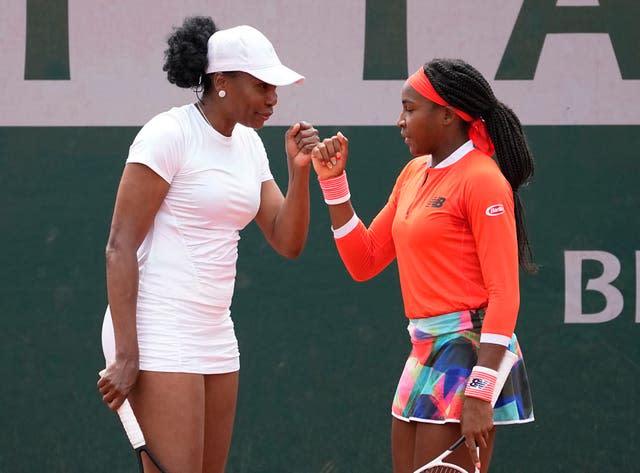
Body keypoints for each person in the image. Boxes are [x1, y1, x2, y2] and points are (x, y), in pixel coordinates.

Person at [96, 16, 319, 473]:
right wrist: (126, 354)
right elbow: (119, 246)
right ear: (221, 82)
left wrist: (298, 172)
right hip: (158, 327)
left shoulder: (251, 147)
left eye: (275, 88)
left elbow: (287, 239)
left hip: (216, 332)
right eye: (261, 86)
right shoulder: (169, 134)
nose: (273, 99)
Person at [311, 58, 535, 473]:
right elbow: (365, 260)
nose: (400, 121)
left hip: (468, 353)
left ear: (448, 114)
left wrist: (480, 393)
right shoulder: (413, 172)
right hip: (422, 349)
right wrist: (334, 186)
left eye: (410, 109)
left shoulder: (483, 180)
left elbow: (505, 295)